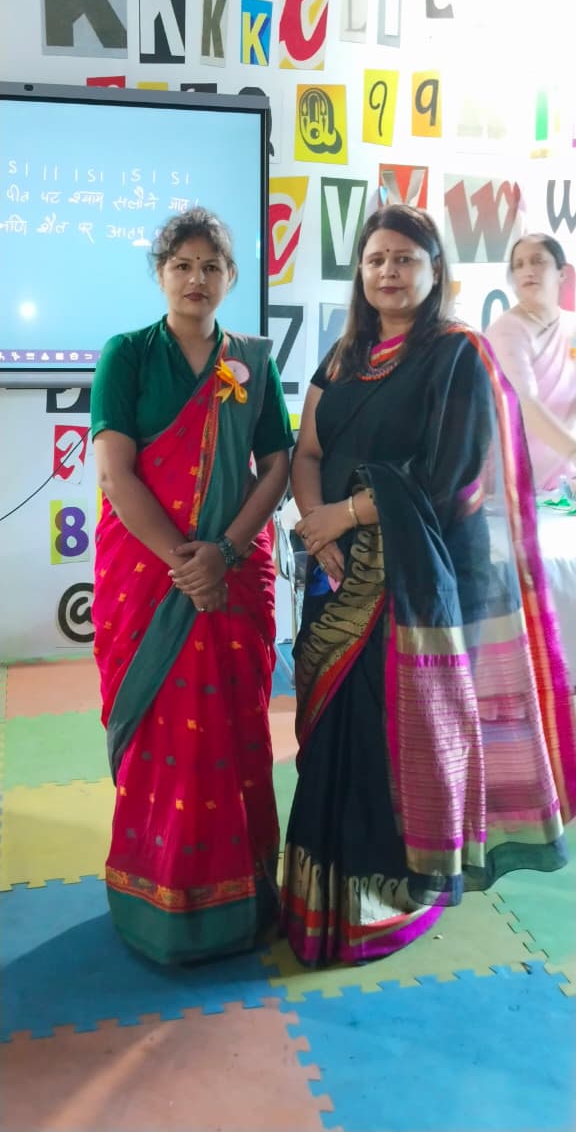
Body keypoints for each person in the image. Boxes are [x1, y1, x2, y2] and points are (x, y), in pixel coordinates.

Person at [281, 204, 576, 968]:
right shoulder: (344, 355)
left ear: (434, 269)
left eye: (406, 258)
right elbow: (307, 451)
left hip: (415, 584)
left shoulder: (457, 354)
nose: (389, 271)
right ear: (361, 270)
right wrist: (319, 527)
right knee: (331, 735)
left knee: (392, 739)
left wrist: (345, 515)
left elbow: (450, 479)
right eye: (377, 258)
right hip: (336, 569)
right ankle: (316, 899)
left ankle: (382, 902)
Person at [90, 207, 292, 964]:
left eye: (211, 266)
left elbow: (277, 465)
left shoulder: (252, 362)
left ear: (231, 277)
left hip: (231, 573)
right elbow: (116, 475)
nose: (196, 279)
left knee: (234, 732)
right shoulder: (128, 355)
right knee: (162, 736)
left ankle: (239, 905)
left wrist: (225, 554)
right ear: (160, 274)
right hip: (148, 576)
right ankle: (159, 908)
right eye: (182, 265)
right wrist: (188, 563)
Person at [486, 234, 576, 492]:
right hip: (513, 478)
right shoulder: (507, 330)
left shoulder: (571, 326)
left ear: (561, 273)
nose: (528, 270)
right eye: (519, 264)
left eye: (538, 261)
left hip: (561, 476)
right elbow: (523, 404)